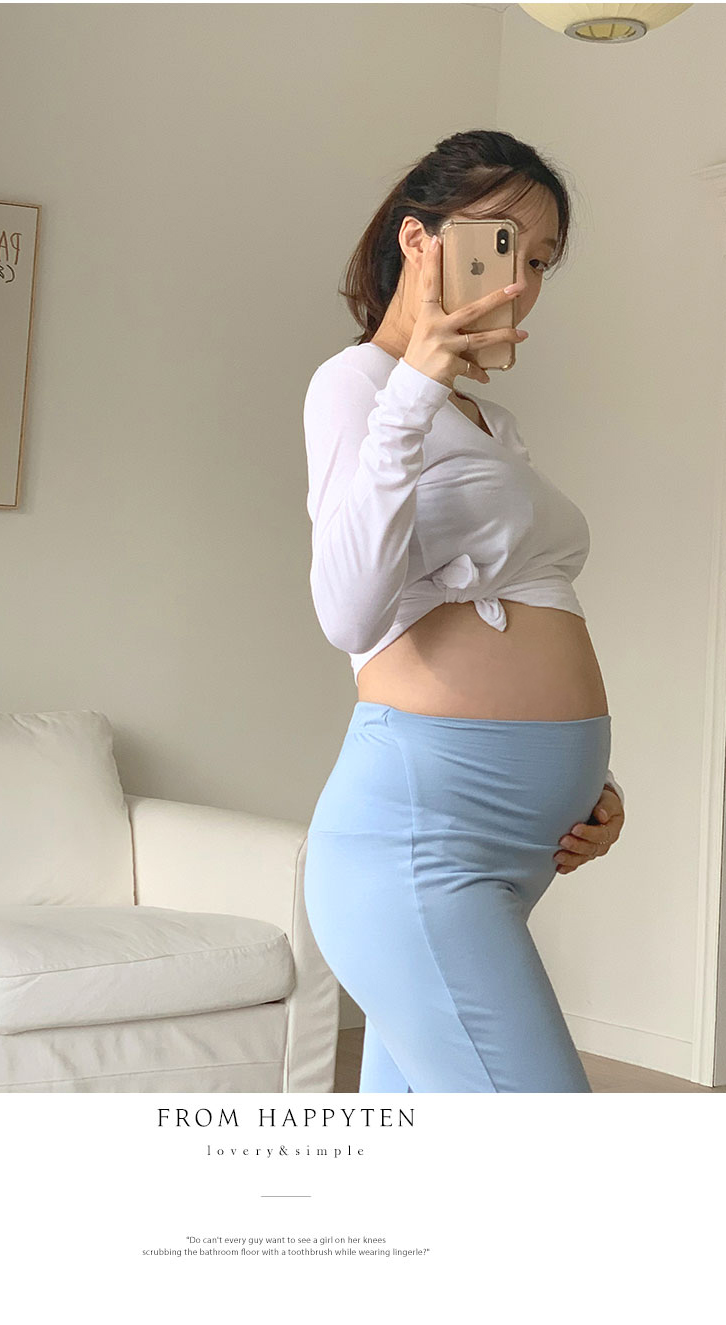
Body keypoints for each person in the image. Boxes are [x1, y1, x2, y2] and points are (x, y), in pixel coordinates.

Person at [302, 129, 626, 1093]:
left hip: (508, 848)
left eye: (542, 261)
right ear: (419, 239)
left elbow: (526, 605)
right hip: (421, 840)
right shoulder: (356, 386)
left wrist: (588, 781)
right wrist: (414, 387)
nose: (520, 279)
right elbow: (349, 613)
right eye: (502, 243)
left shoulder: (493, 423)